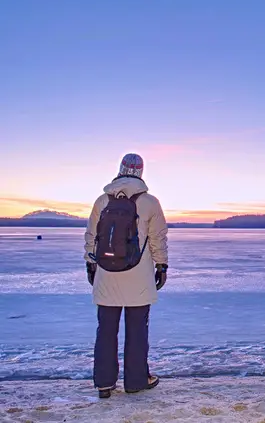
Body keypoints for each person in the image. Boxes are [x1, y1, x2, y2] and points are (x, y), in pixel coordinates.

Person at [84, 153, 168, 399]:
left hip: (106, 274)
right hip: (138, 276)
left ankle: (104, 383)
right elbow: (158, 238)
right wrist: (161, 266)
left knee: (106, 330)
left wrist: (91, 264)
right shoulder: (150, 202)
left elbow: (91, 235)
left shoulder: (102, 200)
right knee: (137, 331)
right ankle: (136, 380)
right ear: (141, 172)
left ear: (120, 169)